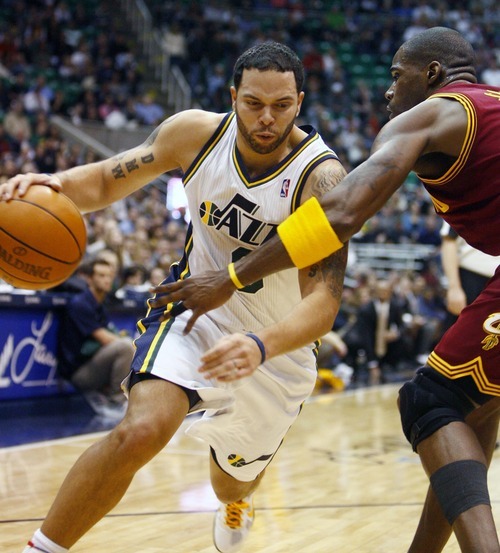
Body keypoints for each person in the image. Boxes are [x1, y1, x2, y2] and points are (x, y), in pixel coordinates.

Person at [145, 27, 500, 552]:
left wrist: (233, 276)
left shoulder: (436, 112)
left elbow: (340, 213)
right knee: (470, 413)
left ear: (432, 75)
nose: (387, 91)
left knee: (430, 401)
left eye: (396, 76)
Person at [1, 42, 347, 553]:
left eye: (281, 105)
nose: (266, 118)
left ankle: (236, 497)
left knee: (231, 482)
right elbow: (103, 179)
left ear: (300, 100)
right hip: (192, 312)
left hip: (276, 348)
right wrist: (53, 186)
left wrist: (259, 344)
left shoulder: (322, 178)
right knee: (142, 430)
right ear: (233, 97)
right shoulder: (194, 134)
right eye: (253, 103)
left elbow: (324, 302)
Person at [57, 258, 135, 420]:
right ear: (89, 279)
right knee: (125, 347)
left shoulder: (99, 303)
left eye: (109, 276)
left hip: (93, 365)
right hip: (79, 373)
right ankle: (116, 402)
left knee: (128, 344)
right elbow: (105, 339)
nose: (106, 279)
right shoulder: (80, 304)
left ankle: (123, 398)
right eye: (101, 275)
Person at [440, 221, 500, 333]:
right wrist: (454, 287)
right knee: (457, 341)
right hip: (470, 280)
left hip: (496, 282)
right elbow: (449, 240)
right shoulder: (463, 203)